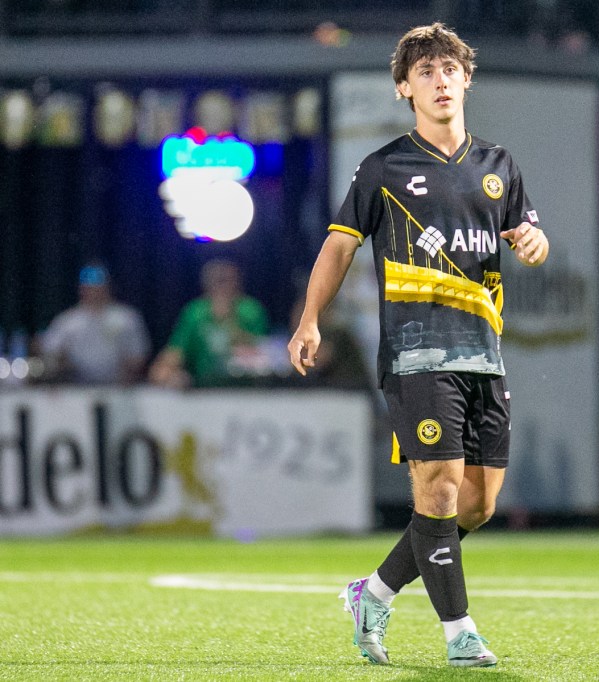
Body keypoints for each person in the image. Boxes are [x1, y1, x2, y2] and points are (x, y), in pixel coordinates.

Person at [288, 23, 548, 668]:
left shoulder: (498, 165)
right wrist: (309, 320)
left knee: (478, 505)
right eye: (425, 71)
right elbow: (341, 244)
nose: (440, 81)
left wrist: (534, 243)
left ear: (467, 80)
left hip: (483, 355)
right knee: (436, 492)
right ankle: (459, 632)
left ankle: (372, 592)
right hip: (415, 354)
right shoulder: (385, 168)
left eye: (449, 69)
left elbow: (527, 232)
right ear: (404, 87)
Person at [149, 259, 269, 388]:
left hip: (245, 387)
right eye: (218, 281)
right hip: (204, 388)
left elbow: (264, 352)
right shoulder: (195, 312)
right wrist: (169, 372)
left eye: (227, 280)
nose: (223, 287)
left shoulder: (251, 310)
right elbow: (175, 352)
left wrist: (229, 320)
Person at [40, 263, 151, 385]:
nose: (93, 291)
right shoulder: (67, 321)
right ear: (81, 289)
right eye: (88, 287)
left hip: (119, 389)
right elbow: (50, 353)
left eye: (98, 286)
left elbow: (139, 356)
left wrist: (128, 371)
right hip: (75, 390)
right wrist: (62, 362)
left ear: (108, 287)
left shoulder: (126, 318)